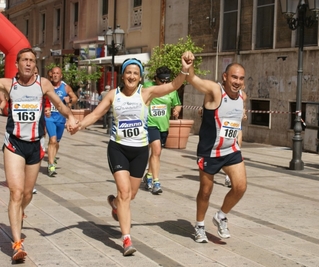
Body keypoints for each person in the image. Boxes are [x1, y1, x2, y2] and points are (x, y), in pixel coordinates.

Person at [71, 52, 194, 256]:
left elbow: (173, 85)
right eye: (128, 72)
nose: (131, 76)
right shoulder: (113, 95)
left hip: (139, 151)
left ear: (140, 76)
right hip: (118, 148)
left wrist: (185, 68)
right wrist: (79, 125)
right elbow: (95, 114)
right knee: (125, 193)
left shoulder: (146, 93)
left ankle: (115, 204)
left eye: (135, 73)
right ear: (123, 75)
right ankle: (126, 239)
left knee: (131, 195)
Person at [0, 47, 78, 262]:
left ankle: (19, 212)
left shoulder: (42, 84)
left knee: (26, 195)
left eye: (31, 60)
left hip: (35, 145)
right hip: (14, 144)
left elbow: (60, 105)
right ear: (16, 64)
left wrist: (70, 117)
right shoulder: (8, 84)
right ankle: (16, 244)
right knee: (15, 193)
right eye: (24, 60)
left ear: (35, 65)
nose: (27, 63)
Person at [186, 63, 247, 243]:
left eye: (241, 78)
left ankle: (221, 216)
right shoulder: (215, 91)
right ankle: (199, 225)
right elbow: (193, 80)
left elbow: (236, 121)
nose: (237, 82)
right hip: (210, 152)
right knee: (205, 191)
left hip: (230, 150)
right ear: (225, 76)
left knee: (240, 186)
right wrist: (188, 67)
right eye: (234, 77)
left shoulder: (243, 96)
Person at [143, 66, 182, 194]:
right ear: (156, 79)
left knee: (156, 153)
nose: (165, 83)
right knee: (157, 150)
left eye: (167, 81)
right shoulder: (148, 86)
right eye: (162, 81)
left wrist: (177, 109)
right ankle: (156, 182)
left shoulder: (171, 90)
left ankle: (148, 175)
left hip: (164, 126)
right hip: (150, 124)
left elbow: (177, 103)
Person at [45, 66, 78, 177]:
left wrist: (70, 101)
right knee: (52, 140)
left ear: (61, 75)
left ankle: (52, 157)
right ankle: (50, 165)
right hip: (49, 117)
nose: (55, 75)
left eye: (57, 73)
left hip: (60, 118)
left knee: (57, 142)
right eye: (53, 73)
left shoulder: (65, 87)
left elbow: (75, 98)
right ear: (51, 74)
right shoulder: (46, 85)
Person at [224, 90, 247, 187]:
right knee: (229, 150)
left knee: (237, 148)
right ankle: (228, 177)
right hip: (228, 125)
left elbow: (243, 111)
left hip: (236, 125)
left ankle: (229, 177)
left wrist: (244, 115)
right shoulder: (223, 95)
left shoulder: (242, 96)